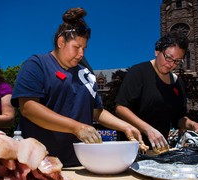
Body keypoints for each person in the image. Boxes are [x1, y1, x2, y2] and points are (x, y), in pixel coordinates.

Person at [11, 7, 143, 167]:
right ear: (61, 42)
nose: (81, 53)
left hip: (79, 163)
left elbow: (96, 111)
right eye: (76, 47)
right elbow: (28, 107)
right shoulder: (37, 64)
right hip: (40, 162)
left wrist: (125, 126)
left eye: (84, 48)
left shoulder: (86, 74)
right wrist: (76, 127)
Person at [115, 31, 198, 151]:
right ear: (157, 51)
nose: (171, 65)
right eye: (168, 58)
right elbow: (120, 108)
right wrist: (148, 129)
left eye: (177, 61)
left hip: (160, 149)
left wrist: (194, 125)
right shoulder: (138, 72)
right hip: (131, 146)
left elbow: (178, 119)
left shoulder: (178, 83)